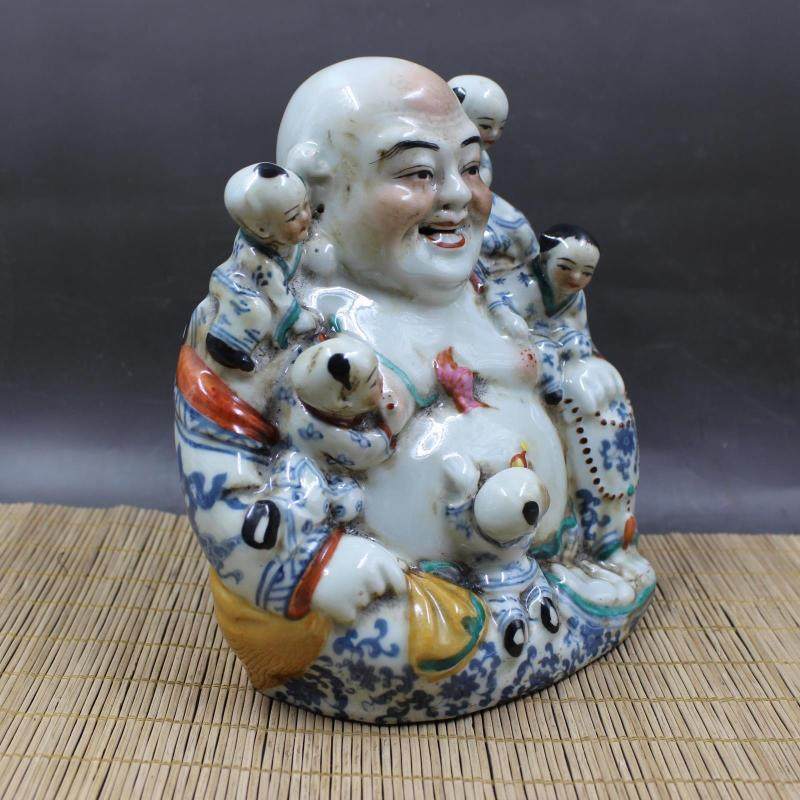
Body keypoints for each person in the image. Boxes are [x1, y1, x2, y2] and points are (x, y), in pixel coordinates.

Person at [204, 162, 316, 372]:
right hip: (237, 287)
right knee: (257, 313)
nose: (306, 216)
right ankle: (224, 345)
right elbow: (278, 294)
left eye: (306, 205)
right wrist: (298, 318)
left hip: (272, 285)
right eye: (293, 216)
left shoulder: (283, 238)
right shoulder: (257, 259)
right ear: (262, 229)